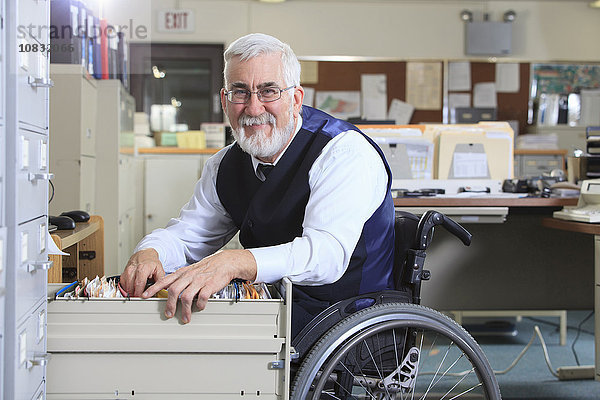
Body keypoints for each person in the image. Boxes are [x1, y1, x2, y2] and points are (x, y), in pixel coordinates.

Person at [120, 33, 396, 337]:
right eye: (240, 92)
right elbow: (189, 236)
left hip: (345, 318)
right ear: (225, 102)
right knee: (167, 319)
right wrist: (151, 251)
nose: (253, 109)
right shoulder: (224, 165)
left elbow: (325, 255)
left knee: (205, 334)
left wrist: (235, 261)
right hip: (274, 304)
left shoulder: (343, 152)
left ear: (295, 99)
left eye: (269, 91)